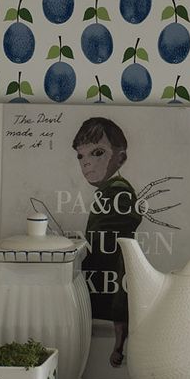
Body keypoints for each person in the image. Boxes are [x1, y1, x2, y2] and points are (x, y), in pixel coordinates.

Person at [72, 115, 143, 366]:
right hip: (108, 264)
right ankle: (116, 348)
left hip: (113, 264)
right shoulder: (107, 190)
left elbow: (125, 221)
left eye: (97, 153)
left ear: (120, 158)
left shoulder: (118, 190)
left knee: (117, 307)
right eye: (81, 156)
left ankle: (117, 348)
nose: (86, 163)